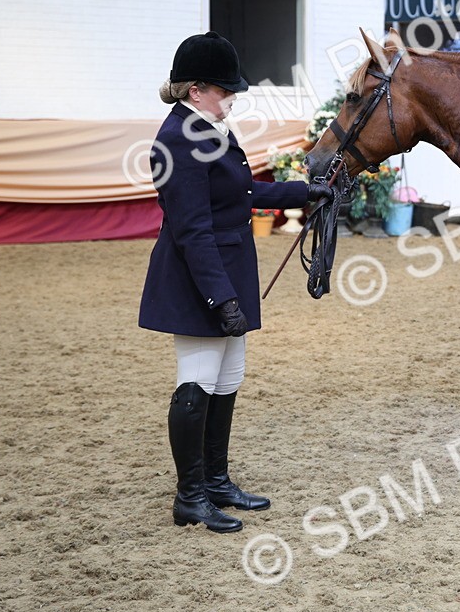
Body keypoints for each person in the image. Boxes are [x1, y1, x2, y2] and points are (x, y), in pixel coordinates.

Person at [139, 31, 331, 533]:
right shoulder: (178, 139)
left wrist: (304, 192)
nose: (233, 99)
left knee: (227, 381)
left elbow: (240, 192)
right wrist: (219, 298)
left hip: (227, 273)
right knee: (195, 384)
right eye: (226, 91)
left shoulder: (206, 129)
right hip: (199, 279)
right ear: (197, 88)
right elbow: (192, 229)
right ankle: (189, 497)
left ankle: (217, 482)